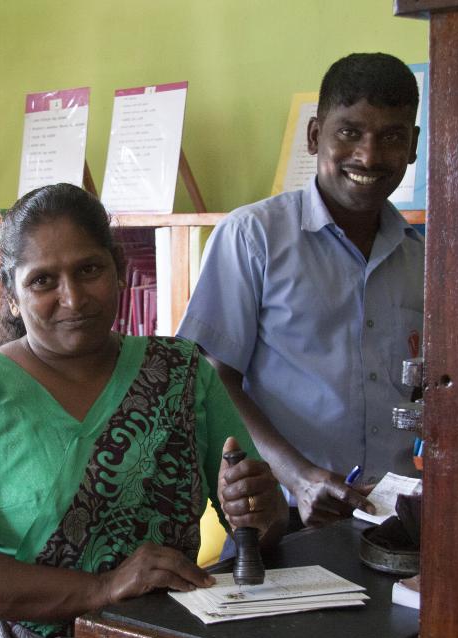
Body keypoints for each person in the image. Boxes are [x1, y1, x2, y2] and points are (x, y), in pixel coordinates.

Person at [0, 183, 287, 638]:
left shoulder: (181, 372)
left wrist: (258, 510)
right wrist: (103, 588)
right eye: (44, 280)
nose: (74, 298)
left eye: (89, 269)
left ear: (119, 271)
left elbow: (266, 521)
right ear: (13, 297)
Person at [177, 53, 423, 531]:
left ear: (412, 147)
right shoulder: (253, 236)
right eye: (349, 132)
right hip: (281, 518)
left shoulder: (423, 257)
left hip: (394, 518)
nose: (368, 156)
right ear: (315, 136)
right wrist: (301, 477)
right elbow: (211, 379)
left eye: (391, 137)